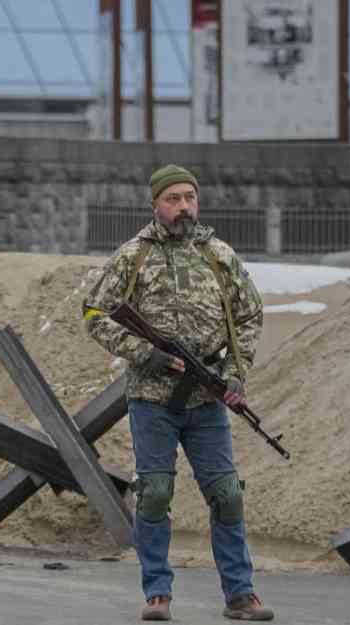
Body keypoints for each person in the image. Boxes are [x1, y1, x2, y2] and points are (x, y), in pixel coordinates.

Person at [83, 164, 273, 622]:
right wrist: (141, 351)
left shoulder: (218, 255)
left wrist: (233, 372)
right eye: (173, 198)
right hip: (152, 400)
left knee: (227, 494)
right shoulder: (135, 256)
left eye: (190, 197)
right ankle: (157, 594)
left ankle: (241, 595)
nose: (184, 206)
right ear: (155, 205)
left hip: (206, 400)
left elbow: (251, 315)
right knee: (154, 492)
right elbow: (93, 313)